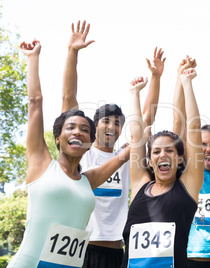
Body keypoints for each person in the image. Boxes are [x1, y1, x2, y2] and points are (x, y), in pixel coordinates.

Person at [7, 40, 129, 268]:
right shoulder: (41, 164)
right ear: (57, 137)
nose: (77, 132)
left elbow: (128, 152)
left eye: (85, 129)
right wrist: (33, 58)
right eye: (70, 127)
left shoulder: (88, 180)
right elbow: (35, 102)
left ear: (91, 141)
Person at [60, 21, 165, 268]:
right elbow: (68, 99)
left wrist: (155, 77)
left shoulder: (127, 156)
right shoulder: (82, 154)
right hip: (79, 249)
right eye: (106, 122)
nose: (112, 127)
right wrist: (72, 52)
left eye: (118, 123)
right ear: (94, 127)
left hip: (115, 251)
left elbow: (146, 118)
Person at [121, 68, 203, 268]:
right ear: (150, 160)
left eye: (169, 151)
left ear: (180, 159)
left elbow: (193, 129)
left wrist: (187, 83)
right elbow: (136, 137)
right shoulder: (141, 184)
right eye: (156, 152)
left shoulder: (187, 186)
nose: (163, 155)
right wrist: (134, 93)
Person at [172, 57, 210, 267]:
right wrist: (181, 80)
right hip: (191, 258)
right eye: (203, 143)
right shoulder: (189, 173)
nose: (208, 148)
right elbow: (179, 123)